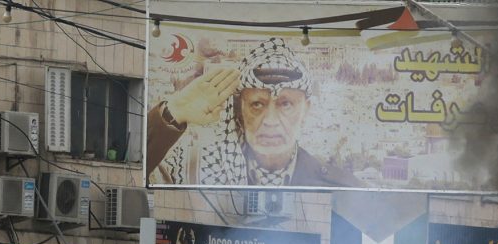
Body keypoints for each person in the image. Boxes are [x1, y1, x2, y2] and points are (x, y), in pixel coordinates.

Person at [148, 37, 360, 188]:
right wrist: (173, 112)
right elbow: (133, 178)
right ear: (240, 110)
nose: (270, 121)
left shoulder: (337, 186)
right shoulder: (190, 169)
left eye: (285, 104)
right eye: (257, 104)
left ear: (306, 111)